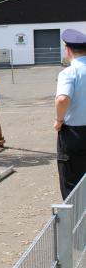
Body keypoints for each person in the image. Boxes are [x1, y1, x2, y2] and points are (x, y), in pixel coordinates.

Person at [54, 29, 86, 199]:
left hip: (74, 134)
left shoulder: (69, 73)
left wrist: (58, 120)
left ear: (67, 50)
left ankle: (76, 222)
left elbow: (62, 99)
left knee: (72, 180)